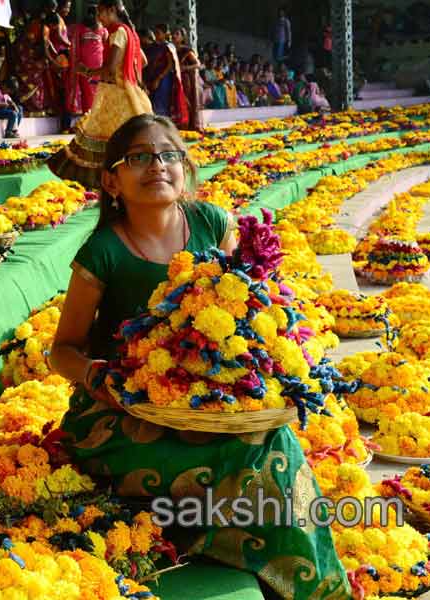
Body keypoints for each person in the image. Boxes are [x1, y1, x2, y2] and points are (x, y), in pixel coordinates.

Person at [49, 113, 353, 600]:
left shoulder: (212, 222)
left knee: (273, 444)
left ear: (186, 166)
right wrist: (94, 375)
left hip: (212, 400)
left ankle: (310, 587)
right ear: (111, 180)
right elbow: (61, 350)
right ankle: (236, 550)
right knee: (241, 453)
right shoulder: (103, 251)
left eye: (168, 155)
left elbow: (251, 305)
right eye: (140, 158)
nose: (157, 166)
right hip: (122, 410)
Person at [47, 0, 150, 188]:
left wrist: (86, 71)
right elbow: (142, 62)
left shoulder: (118, 32)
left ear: (112, 10)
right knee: (128, 140)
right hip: (132, 93)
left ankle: (105, 183)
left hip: (115, 95)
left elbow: (109, 70)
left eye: (101, 13)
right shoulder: (130, 32)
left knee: (97, 138)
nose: (100, 19)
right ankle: (128, 182)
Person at [65, 4, 105, 118]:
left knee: (89, 92)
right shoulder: (99, 28)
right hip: (93, 65)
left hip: (88, 66)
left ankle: (90, 117)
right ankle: (90, 118)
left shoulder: (81, 28)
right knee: (90, 92)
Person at [13, 5, 54, 115]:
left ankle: (30, 109)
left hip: (26, 58)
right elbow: (45, 49)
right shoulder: (43, 28)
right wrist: (53, 62)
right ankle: (33, 109)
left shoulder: (35, 24)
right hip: (29, 58)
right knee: (36, 82)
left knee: (33, 82)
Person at [145, 23, 187, 127]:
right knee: (152, 103)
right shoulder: (153, 47)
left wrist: (159, 79)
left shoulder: (168, 47)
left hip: (163, 79)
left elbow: (170, 65)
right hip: (152, 77)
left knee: (161, 103)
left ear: (165, 34)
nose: (156, 35)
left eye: (158, 33)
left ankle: (164, 128)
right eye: (155, 32)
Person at [172, 26, 202, 132]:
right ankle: (179, 126)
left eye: (177, 34)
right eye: (173, 34)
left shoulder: (186, 50)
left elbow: (198, 64)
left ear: (182, 37)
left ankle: (189, 126)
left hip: (185, 80)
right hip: (175, 79)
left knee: (187, 102)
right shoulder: (171, 49)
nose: (173, 36)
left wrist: (185, 68)